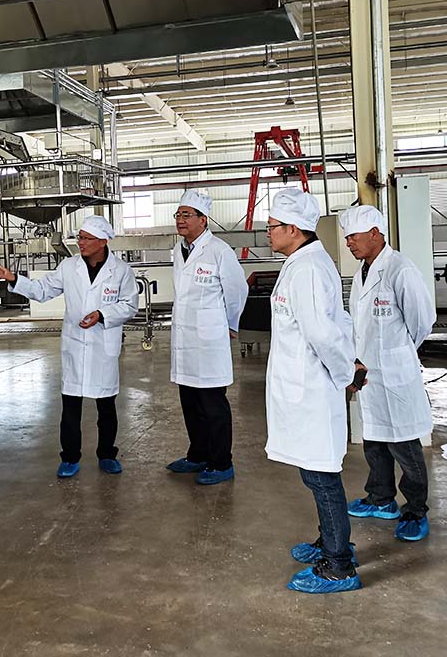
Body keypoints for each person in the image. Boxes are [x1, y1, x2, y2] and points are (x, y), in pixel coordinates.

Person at [265, 187, 363, 594]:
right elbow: (336, 322)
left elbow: (323, 333)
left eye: (273, 226)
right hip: (302, 386)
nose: (268, 232)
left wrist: (346, 373)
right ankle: (330, 541)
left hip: (312, 388)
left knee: (322, 477)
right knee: (314, 472)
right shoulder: (302, 262)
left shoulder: (306, 268)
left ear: (294, 228)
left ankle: (339, 565)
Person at [0, 215, 138, 479]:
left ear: (102, 242)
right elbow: (42, 290)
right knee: (70, 407)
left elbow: (129, 305)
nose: (80, 242)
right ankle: (69, 457)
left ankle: (107, 454)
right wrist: (14, 279)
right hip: (75, 344)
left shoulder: (121, 270)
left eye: (86, 238)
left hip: (103, 345)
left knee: (106, 405)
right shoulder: (69, 267)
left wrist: (102, 315)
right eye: (79, 237)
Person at [340, 205, 435, 541]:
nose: (348, 242)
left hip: (394, 373)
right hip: (369, 374)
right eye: (347, 237)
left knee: (405, 446)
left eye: (353, 236)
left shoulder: (400, 270)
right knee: (374, 441)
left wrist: (397, 352)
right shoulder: (362, 273)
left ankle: (415, 510)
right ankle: (381, 499)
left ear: (375, 234)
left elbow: (422, 321)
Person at [166, 190, 248, 485]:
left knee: (212, 405)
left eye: (187, 215)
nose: (180, 220)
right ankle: (198, 455)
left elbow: (237, 291)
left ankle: (221, 463)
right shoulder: (179, 250)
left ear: (203, 219)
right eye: (178, 214)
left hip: (209, 339)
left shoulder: (219, 251)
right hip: (185, 340)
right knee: (190, 402)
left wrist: (230, 324)